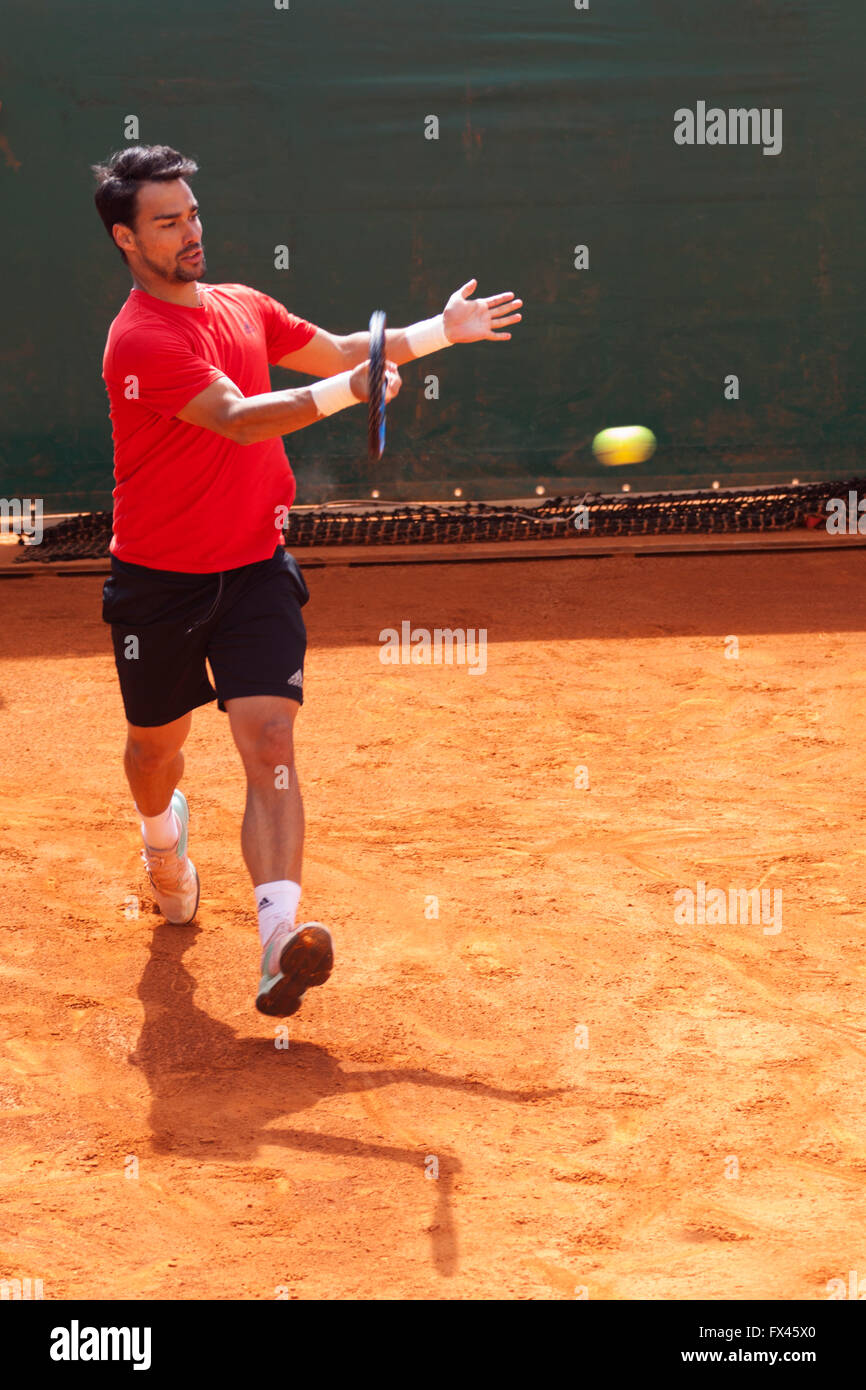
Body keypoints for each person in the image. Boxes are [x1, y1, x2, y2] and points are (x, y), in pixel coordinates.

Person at [92, 143, 522, 1017]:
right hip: (159, 583)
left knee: (271, 747)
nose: (190, 233)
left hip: (255, 566)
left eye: (193, 214)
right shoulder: (139, 338)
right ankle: (162, 841)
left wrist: (442, 331)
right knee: (154, 752)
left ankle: (278, 940)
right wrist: (353, 391)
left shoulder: (243, 304)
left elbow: (340, 352)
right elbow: (243, 422)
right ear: (127, 241)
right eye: (167, 223)